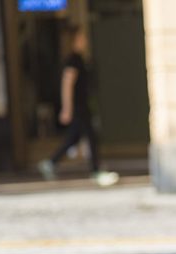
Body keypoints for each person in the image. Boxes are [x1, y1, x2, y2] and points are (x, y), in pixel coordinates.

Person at [38, 25, 118, 186]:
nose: (85, 41)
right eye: (81, 38)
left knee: (74, 139)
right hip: (78, 107)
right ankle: (95, 171)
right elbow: (67, 85)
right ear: (74, 40)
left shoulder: (79, 59)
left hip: (81, 105)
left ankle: (51, 163)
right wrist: (67, 109)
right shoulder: (73, 60)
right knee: (90, 137)